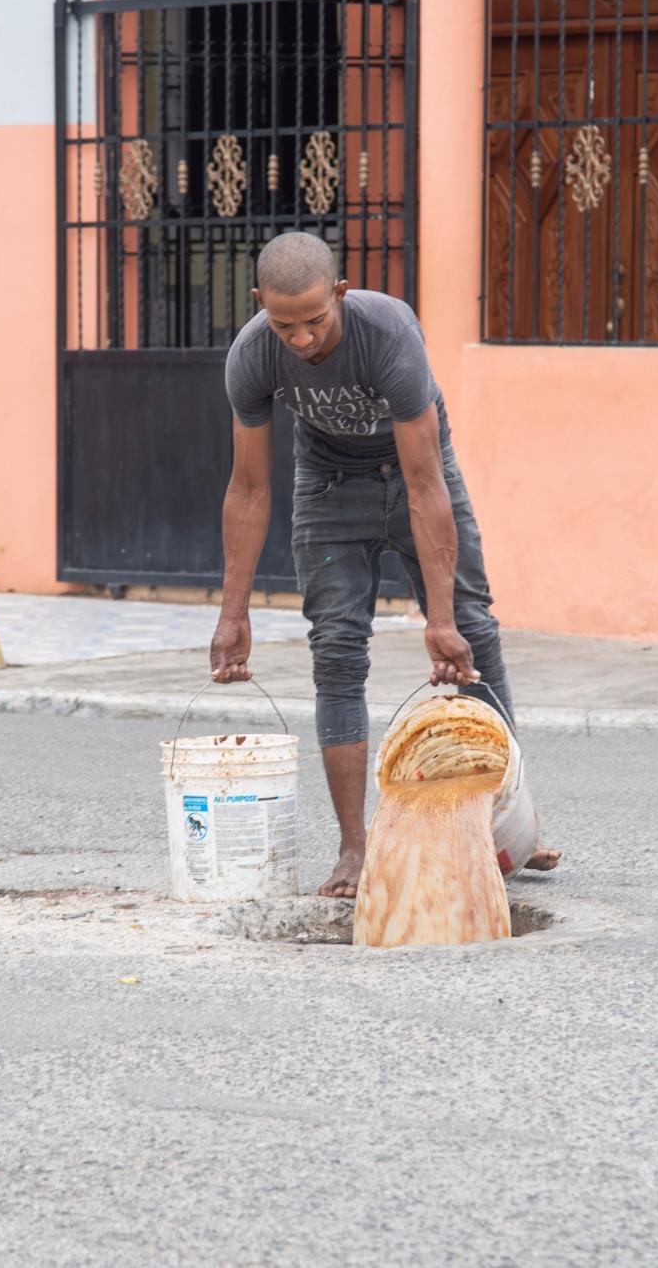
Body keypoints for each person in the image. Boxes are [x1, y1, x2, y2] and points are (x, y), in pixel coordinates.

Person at [208, 232, 560, 898]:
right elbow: (249, 488)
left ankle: (512, 829)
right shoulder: (252, 357)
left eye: (315, 320)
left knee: (474, 634)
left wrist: (440, 617)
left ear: (339, 293)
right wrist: (233, 613)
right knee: (336, 649)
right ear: (260, 304)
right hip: (328, 487)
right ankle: (352, 849)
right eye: (286, 324)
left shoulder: (388, 332)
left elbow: (426, 484)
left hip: (416, 473)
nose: (303, 339)